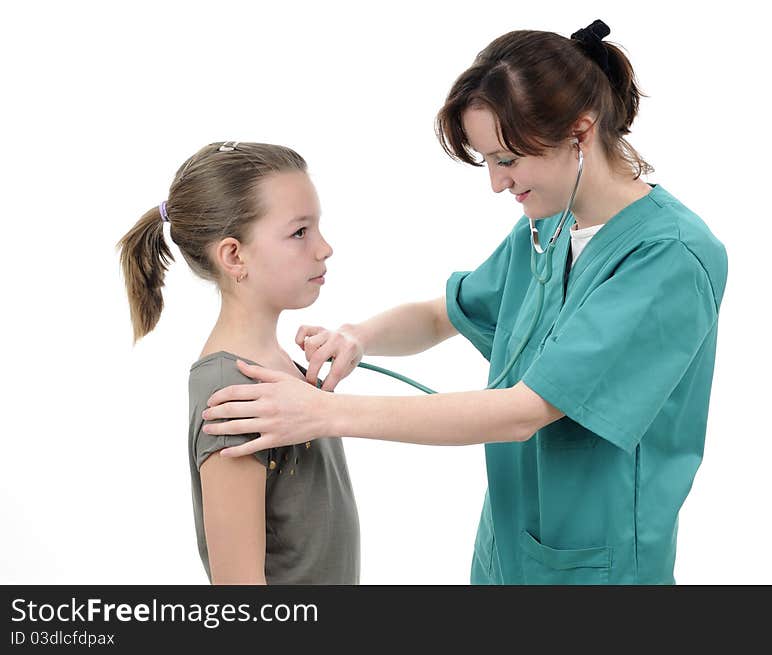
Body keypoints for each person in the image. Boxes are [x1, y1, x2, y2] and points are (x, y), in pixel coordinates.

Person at [200, 22, 728, 584]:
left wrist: (328, 414)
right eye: (488, 162)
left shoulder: (669, 258)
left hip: (596, 566)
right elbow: (441, 315)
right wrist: (359, 336)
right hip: (509, 550)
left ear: (580, 132)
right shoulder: (550, 227)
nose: (499, 184)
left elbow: (525, 411)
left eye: (508, 160)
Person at [117, 141, 360, 584]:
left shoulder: (278, 365)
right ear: (234, 256)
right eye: (299, 232)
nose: (324, 248)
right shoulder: (231, 387)